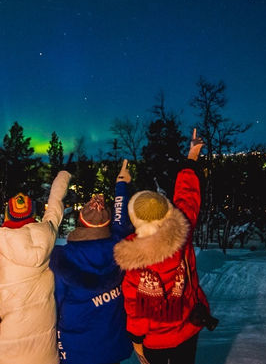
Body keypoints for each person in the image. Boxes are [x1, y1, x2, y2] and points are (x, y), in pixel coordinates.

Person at [114, 129, 213, 364]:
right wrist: (192, 156)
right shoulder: (181, 231)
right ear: (167, 212)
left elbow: (135, 309)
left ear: (135, 220)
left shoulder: (134, 259)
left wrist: (137, 341)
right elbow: (187, 196)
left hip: (155, 341)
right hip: (188, 327)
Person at [0, 170, 72, 364]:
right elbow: (55, 206)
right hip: (43, 349)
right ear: (33, 213)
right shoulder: (47, 234)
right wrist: (63, 177)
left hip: (3, 345)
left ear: (8, 213)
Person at [49, 160, 134, 364]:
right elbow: (120, 222)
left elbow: (54, 305)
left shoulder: (65, 257)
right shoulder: (119, 247)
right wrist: (121, 184)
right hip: (112, 346)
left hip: (76, 348)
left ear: (80, 223)